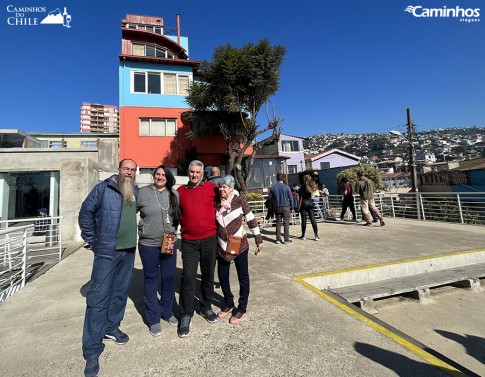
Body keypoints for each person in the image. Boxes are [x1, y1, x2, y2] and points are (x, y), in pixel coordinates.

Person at [78, 159, 138, 377]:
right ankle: (92, 349)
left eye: (133, 170)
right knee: (98, 297)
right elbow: (85, 214)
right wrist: (93, 241)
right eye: (126, 169)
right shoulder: (103, 189)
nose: (129, 173)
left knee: (120, 293)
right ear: (119, 170)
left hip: (129, 251)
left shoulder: (135, 191)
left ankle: (112, 327)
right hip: (107, 252)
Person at [177, 160, 219, 338]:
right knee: (188, 277)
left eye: (197, 172)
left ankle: (206, 306)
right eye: (192, 171)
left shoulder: (211, 188)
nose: (194, 175)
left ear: (203, 173)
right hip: (189, 242)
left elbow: (226, 200)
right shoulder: (180, 192)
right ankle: (185, 314)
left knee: (208, 275)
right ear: (188, 172)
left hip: (210, 239)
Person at [137, 165, 180, 337]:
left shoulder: (174, 194)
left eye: (163, 174)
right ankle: (153, 317)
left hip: (168, 242)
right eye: (157, 174)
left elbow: (177, 216)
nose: (160, 177)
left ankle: (167, 311)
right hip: (148, 244)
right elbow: (130, 211)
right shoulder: (142, 193)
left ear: (168, 177)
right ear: (153, 176)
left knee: (169, 278)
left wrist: (173, 231)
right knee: (151, 279)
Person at [215, 175, 263, 324]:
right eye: (220, 186)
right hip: (222, 245)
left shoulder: (239, 200)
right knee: (222, 276)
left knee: (243, 277)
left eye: (225, 187)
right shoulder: (216, 202)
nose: (221, 189)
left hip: (239, 244)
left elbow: (251, 219)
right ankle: (229, 303)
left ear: (232, 188)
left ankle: (242, 308)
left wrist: (258, 239)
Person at [268, 173, 293, 244]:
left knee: (278, 223)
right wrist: (292, 207)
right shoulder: (287, 187)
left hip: (277, 207)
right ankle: (286, 239)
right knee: (286, 223)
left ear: (277, 179)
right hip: (286, 207)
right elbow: (291, 198)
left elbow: (269, 198)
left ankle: (278, 239)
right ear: (283, 179)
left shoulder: (273, 188)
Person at [298, 175, 320, 241]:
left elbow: (300, 197)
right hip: (310, 202)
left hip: (304, 202)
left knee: (304, 220)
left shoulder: (302, 187)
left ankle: (303, 235)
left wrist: (299, 205)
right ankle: (316, 236)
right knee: (313, 219)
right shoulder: (311, 186)